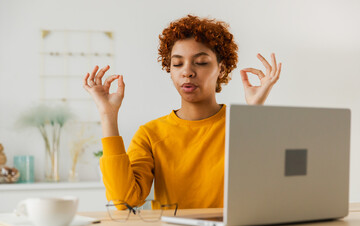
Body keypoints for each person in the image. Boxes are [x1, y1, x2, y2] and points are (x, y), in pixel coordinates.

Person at [83, 15, 282, 209]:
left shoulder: (241, 125)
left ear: (221, 69)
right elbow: (124, 201)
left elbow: (265, 189)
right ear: (170, 70)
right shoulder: (150, 134)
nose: (187, 71)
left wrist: (254, 113)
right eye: (177, 64)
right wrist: (108, 115)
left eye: (201, 62)